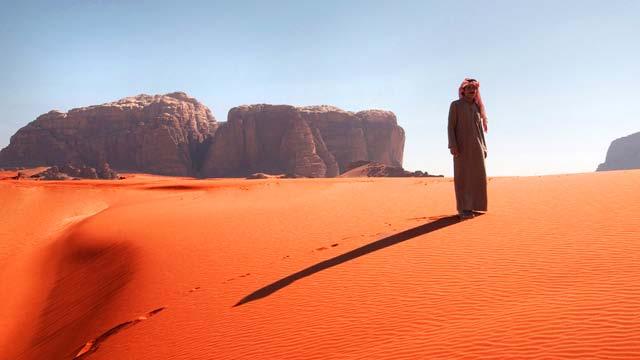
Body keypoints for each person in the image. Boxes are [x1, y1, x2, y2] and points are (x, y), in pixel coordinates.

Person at [448, 78, 488, 219]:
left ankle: (476, 206)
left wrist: (484, 147)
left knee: (478, 176)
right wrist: (452, 145)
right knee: (463, 177)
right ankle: (464, 208)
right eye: (469, 87)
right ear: (463, 90)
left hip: (477, 147)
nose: (472, 90)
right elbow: (451, 127)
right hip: (461, 147)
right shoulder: (456, 105)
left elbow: (480, 131)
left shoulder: (477, 107)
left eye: (474, 88)